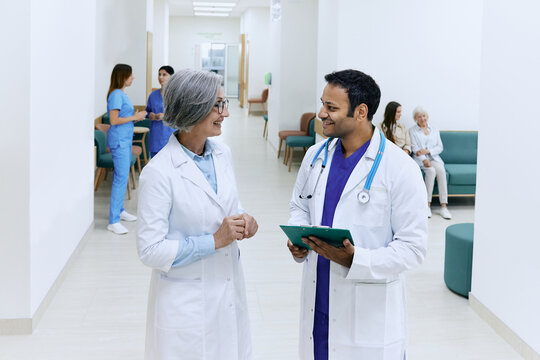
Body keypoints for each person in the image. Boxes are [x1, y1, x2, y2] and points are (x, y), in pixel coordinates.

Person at [287, 69, 428, 360]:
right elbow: (299, 206)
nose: (321, 113)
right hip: (319, 302)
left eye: (332, 107)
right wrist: (297, 236)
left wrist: (355, 259)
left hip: (368, 313)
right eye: (323, 103)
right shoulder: (315, 157)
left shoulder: (401, 169)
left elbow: (413, 249)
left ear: (361, 112)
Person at [136, 69, 258, 360]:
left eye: (224, 103)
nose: (225, 112)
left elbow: (227, 207)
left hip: (227, 289)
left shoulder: (222, 154)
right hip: (185, 303)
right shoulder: (159, 173)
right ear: (192, 108)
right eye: (217, 105)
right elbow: (150, 250)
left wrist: (245, 220)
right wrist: (214, 240)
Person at [106, 64, 147, 235]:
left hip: (125, 140)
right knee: (121, 179)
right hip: (119, 142)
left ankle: (120, 211)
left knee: (122, 178)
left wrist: (134, 118)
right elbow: (114, 120)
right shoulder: (116, 94)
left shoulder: (122, 94)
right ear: (123, 77)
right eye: (130, 75)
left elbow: (123, 118)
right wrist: (135, 116)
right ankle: (113, 220)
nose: (133, 78)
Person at [409, 106, 452, 219]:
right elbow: (415, 149)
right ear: (415, 119)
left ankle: (444, 206)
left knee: (441, 171)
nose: (422, 118)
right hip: (421, 160)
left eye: (424, 116)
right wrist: (424, 159)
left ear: (427, 117)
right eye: (419, 117)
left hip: (434, 158)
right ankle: (427, 205)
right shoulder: (412, 130)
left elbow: (440, 147)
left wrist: (428, 151)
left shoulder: (434, 129)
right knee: (431, 171)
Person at [146, 65, 176, 158]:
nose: (160, 77)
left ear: (171, 77)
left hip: (171, 134)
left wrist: (165, 116)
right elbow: (147, 111)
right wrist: (150, 115)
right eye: (159, 74)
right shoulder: (153, 95)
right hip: (156, 135)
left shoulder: (176, 95)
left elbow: (181, 114)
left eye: (164, 74)